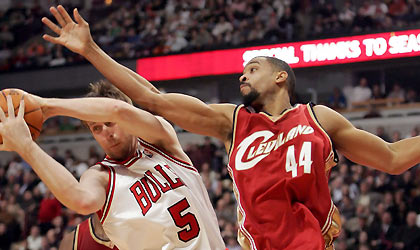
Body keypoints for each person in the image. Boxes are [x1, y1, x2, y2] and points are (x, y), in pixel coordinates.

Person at [41, 5, 420, 250]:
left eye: (253, 69)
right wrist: (90, 50)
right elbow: (151, 98)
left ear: (280, 77)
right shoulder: (232, 121)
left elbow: (392, 157)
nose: (243, 74)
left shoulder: (319, 118)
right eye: (242, 71)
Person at [0, 82, 226, 250]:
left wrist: (46, 105)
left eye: (109, 123)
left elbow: (119, 110)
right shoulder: (100, 176)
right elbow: (81, 200)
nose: (106, 133)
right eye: (96, 128)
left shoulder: (162, 142)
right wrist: (26, 146)